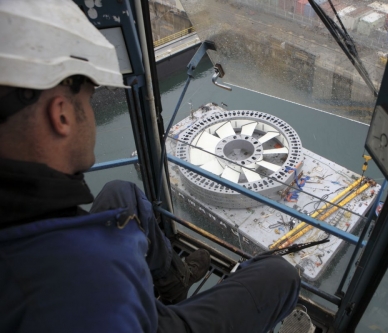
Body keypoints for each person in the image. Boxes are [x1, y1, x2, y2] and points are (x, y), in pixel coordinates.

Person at [0, 1, 300, 332]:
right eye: (86, 99)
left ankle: (174, 281)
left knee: (120, 193)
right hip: (147, 322)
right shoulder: (89, 287)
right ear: (61, 115)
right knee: (279, 275)